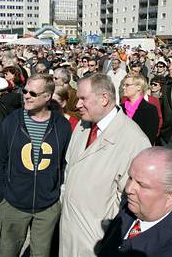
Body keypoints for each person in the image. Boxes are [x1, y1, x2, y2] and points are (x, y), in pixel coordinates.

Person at [59, 73, 151, 257]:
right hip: (68, 231)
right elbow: (69, 170)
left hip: (97, 241)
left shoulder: (134, 141)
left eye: (83, 99)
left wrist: (105, 231)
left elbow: (132, 203)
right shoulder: (83, 125)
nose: (77, 105)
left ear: (104, 99)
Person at [0, 73, 72, 257]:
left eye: (33, 93)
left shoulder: (62, 125)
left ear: (47, 97)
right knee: (7, 252)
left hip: (47, 207)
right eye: (25, 91)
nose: (26, 96)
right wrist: (0, 196)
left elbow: (64, 163)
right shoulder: (12, 121)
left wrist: (56, 198)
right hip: (12, 204)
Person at [96, 147, 172, 257]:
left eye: (141, 185)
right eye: (130, 178)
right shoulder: (136, 207)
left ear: (171, 196)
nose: (128, 189)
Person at [121, 75, 159, 145]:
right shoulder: (120, 109)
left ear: (139, 87)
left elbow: (149, 138)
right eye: (123, 85)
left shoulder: (150, 110)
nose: (123, 87)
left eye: (127, 85)